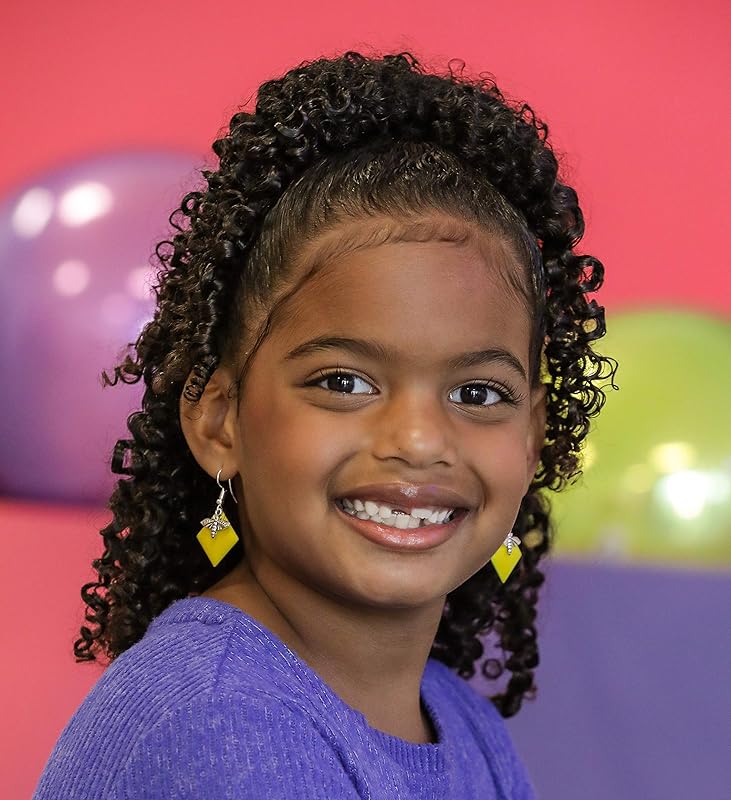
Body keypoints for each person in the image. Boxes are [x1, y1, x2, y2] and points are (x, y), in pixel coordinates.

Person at [33, 51, 615, 799]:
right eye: (344, 383)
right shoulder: (219, 725)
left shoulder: (462, 721)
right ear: (219, 421)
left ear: (532, 439)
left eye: (476, 393)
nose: (419, 440)